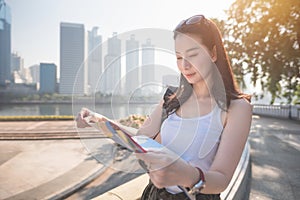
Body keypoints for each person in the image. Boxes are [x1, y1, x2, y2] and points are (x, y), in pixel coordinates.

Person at [76, 14, 252, 200]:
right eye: (178, 57)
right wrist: (99, 121)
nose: (184, 65)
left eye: (192, 54)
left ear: (213, 53)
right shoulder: (171, 98)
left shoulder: (237, 108)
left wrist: (188, 175)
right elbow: (140, 138)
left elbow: (222, 178)